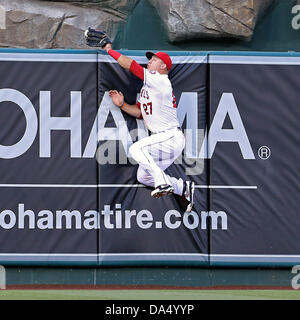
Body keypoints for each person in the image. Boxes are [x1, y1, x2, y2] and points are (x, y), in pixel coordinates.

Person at [102, 42, 195, 212]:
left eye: (153, 59)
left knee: (136, 149)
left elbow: (132, 66)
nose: (149, 62)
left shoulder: (160, 80)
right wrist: (122, 105)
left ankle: (162, 182)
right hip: (164, 141)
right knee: (143, 176)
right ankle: (181, 187)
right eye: (150, 59)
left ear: (163, 66)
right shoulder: (150, 87)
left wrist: (109, 50)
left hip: (169, 136)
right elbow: (139, 112)